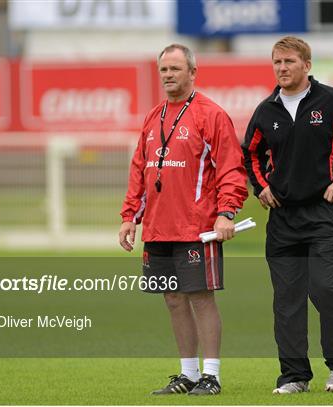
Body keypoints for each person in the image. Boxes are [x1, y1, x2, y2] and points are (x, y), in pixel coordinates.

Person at [242, 36, 333, 394]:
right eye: (277, 62)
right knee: (287, 300)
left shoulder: (332, 102)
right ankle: (293, 376)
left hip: (325, 214)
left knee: (326, 288)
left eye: (289, 61)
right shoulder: (265, 111)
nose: (282, 68)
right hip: (283, 219)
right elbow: (251, 155)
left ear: (307, 65)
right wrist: (262, 188)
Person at [119, 44, 248, 396]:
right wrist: (131, 216)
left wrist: (226, 212)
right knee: (173, 299)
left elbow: (231, 169)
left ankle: (212, 375)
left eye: (175, 68)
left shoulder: (211, 114)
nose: (168, 75)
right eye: (163, 70)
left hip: (198, 227)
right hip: (159, 227)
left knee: (200, 297)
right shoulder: (152, 117)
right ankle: (187, 374)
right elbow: (139, 170)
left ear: (192, 72)